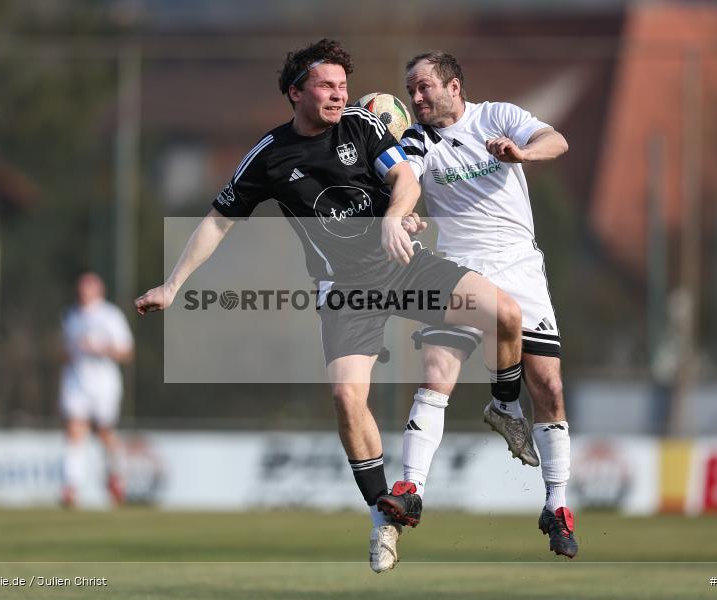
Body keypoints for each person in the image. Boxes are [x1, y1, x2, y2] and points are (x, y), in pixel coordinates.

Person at [134, 39, 525, 573]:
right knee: (345, 396)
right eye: (326, 86)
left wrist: (395, 215)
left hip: (404, 265)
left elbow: (404, 178)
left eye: (343, 85)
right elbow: (219, 219)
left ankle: (504, 406)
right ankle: (385, 518)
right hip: (346, 290)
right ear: (295, 92)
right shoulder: (269, 155)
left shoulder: (362, 127)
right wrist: (173, 284)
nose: (339, 95)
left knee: (503, 313)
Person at [377, 51, 577, 558]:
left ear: (455, 86)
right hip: (460, 270)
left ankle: (556, 506)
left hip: (520, 269)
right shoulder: (418, 140)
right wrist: (401, 215)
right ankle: (412, 489)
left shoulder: (498, 117)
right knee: (437, 372)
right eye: (410, 89)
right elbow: (406, 181)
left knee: (549, 387)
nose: (415, 98)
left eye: (423, 87)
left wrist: (522, 154)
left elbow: (557, 140)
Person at [60, 272, 134, 508]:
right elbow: (66, 350)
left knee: (105, 433)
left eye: (88, 288)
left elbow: (126, 352)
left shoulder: (110, 315)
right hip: (76, 381)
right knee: (75, 430)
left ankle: (116, 477)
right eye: (81, 288)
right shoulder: (71, 315)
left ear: (98, 290)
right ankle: (71, 487)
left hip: (104, 384)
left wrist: (99, 348)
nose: (83, 292)